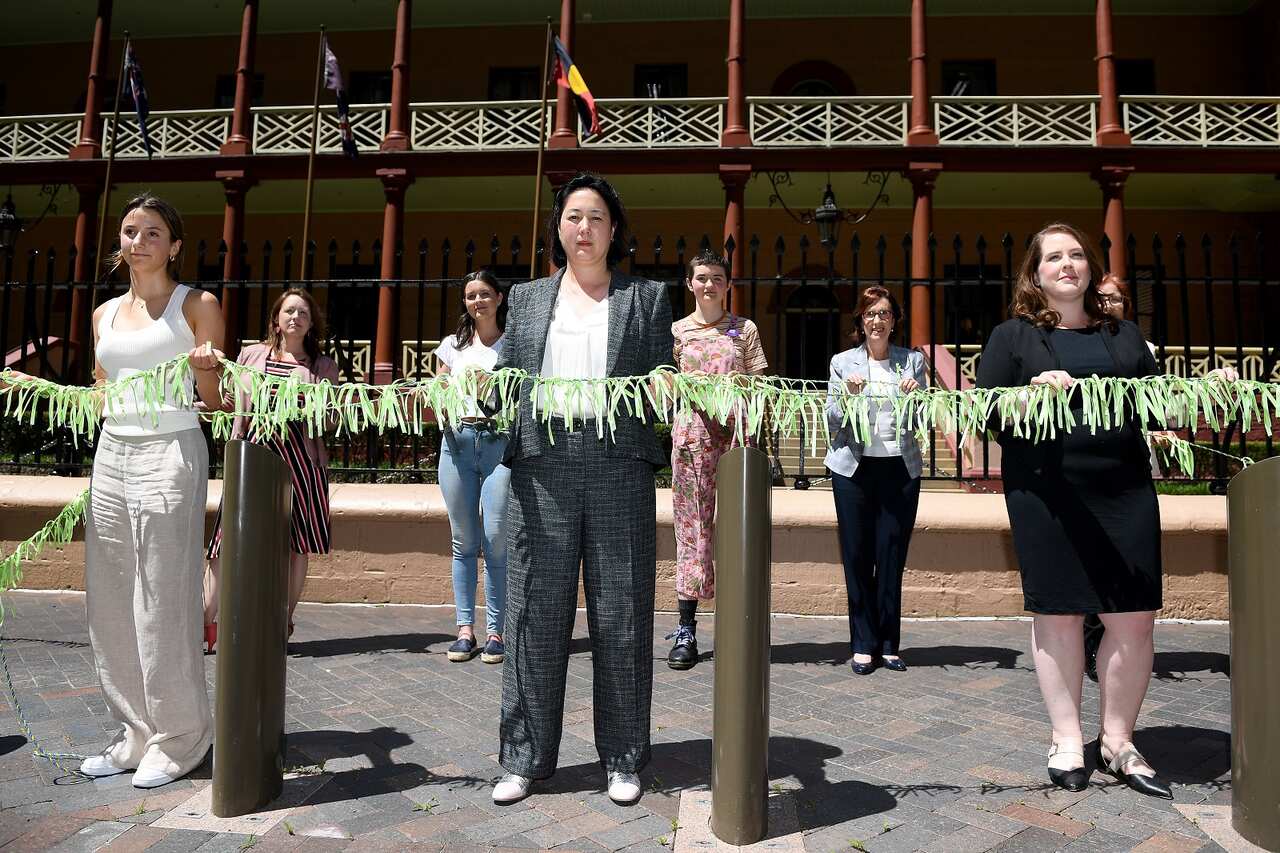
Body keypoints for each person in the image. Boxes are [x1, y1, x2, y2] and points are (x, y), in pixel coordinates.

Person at [491, 173, 673, 807]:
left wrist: (669, 393)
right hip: (543, 469)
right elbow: (507, 381)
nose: (585, 228)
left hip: (619, 466)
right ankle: (524, 757)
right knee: (532, 615)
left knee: (621, 616)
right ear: (559, 228)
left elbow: (660, 379)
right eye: (574, 217)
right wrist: (466, 384)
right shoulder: (528, 298)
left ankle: (623, 759)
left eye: (597, 217)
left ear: (613, 230)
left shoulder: (646, 298)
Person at [976, 223, 1173, 798]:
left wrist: (1212, 385)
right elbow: (985, 414)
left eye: (1077, 255)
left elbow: (1157, 404)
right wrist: (1028, 395)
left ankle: (1117, 742)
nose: (1067, 265)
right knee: (1058, 613)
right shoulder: (1012, 338)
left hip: (1123, 489)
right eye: (1054, 257)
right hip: (1047, 495)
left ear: (1090, 268)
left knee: (1132, 617)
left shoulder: (1125, 336)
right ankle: (1067, 740)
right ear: (1034, 274)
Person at [80, 194, 225, 788]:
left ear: (175, 245)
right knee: (110, 593)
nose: (138, 241)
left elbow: (214, 402)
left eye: (153, 232)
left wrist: (206, 370)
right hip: (112, 451)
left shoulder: (197, 305)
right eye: (130, 231)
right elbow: (102, 387)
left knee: (163, 595)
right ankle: (136, 731)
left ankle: (181, 736)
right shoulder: (103, 314)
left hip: (171, 449)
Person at [203, 288, 340, 646]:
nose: (295, 317)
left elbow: (327, 423)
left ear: (311, 324)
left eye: (303, 313)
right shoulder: (251, 354)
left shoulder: (323, 366)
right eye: (289, 311)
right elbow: (230, 401)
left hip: (302, 461)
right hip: (253, 454)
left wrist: (329, 406)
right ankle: (204, 619)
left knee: (297, 544)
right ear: (276, 319)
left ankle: (284, 620)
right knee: (227, 537)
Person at [666, 250, 768, 670]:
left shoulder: (744, 330)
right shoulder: (676, 332)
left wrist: (738, 386)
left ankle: (737, 627)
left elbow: (761, 384)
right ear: (690, 283)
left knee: (736, 530)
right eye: (702, 277)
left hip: (735, 439)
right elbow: (663, 383)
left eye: (718, 278)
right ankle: (687, 629)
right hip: (691, 441)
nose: (710, 284)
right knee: (692, 530)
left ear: (728, 284)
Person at [824, 286, 927, 676]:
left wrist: (913, 399)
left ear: (894, 320)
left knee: (891, 555)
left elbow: (920, 423)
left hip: (899, 469)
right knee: (857, 554)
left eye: (884, 313)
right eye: (870, 314)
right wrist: (848, 397)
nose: (877, 321)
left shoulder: (912, 361)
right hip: (853, 469)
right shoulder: (842, 363)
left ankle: (889, 644)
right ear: (860, 321)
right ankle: (863, 643)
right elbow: (831, 419)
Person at [433, 270, 511, 665]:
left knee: (496, 537)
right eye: (470, 296)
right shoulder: (453, 346)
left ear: (498, 297)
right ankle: (465, 629)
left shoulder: (513, 343)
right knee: (463, 540)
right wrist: (441, 390)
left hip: (498, 442)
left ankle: (497, 631)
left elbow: (523, 393)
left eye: (484, 294)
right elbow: (438, 392)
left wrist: (493, 388)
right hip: (457, 442)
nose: (477, 301)